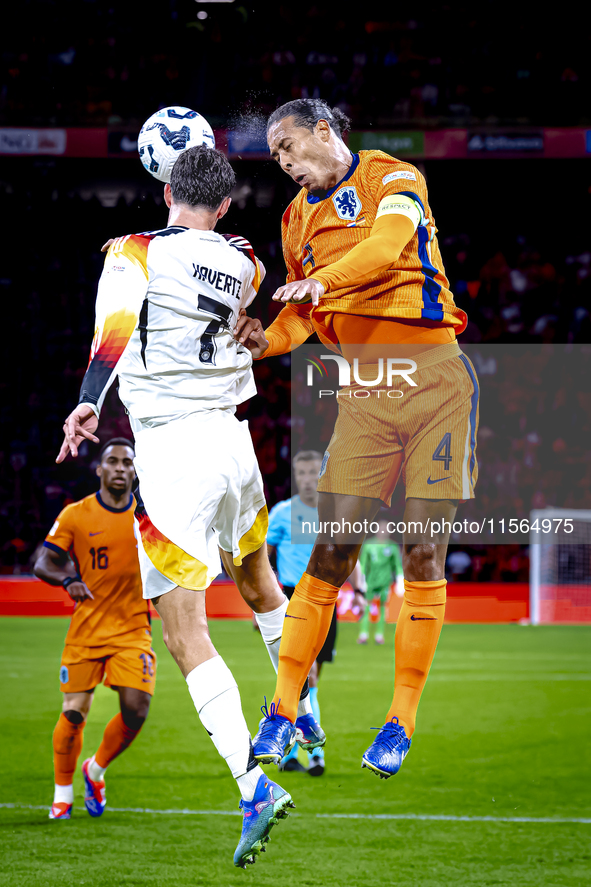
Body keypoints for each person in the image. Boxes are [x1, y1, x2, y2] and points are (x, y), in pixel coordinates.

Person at [56, 146, 323, 867]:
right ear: (228, 205)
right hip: (237, 443)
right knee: (258, 575)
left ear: (165, 187)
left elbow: (110, 332)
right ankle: (303, 712)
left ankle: (252, 785)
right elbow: (245, 260)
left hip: (175, 452)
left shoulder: (134, 251)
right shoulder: (244, 263)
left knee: (182, 629)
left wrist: (86, 403)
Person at [234, 98, 479, 779]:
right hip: (365, 395)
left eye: (287, 146)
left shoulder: (391, 176)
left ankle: (399, 719)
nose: (282, 163)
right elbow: (302, 317)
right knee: (331, 551)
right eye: (274, 157)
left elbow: (385, 248)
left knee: (423, 551)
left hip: (434, 380)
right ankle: (283, 708)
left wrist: (320, 281)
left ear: (323, 131)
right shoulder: (294, 220)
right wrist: (264, 340)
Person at [34, 438, 155, 821]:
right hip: (86, 629)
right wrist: (68, 578)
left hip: (133, 627)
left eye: (127, 463)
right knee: (73, 714)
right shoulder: (76, 514)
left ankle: (96, 770)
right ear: (99, 469)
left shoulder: (149, 517)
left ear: (135, 471)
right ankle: (62, 796)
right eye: (113, 461)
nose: (120, 468)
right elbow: (43, 563)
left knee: (136, 710)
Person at [267, 449, 365, 776]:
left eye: (314, 473)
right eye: (303, 474)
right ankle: (312, 754)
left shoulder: (334, 515)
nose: (309, 480)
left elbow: (349, 555)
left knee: (311, 679)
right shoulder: (282, 514)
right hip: (290, 599)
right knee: (302, 676)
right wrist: (267, 601)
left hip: (325, 598)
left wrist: (361, 589)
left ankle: (297, 751)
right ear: (296, 477)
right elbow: (264, 559)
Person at [357, 515, 404, 645]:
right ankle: (364, 633)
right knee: (366, 607)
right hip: (370, 582)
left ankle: (379, 635)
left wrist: (400, 580)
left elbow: (397, 565)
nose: (383, 530)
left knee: (383, 608)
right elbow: (363, 564)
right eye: (381, 528)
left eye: (386, 528)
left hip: (385, 582)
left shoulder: (393, 547)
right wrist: (362, 580)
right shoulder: (368, 545)